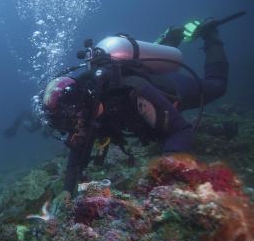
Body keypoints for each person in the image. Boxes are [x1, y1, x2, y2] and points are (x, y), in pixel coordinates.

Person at [35, 17, 231, 195]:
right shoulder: (86, 110)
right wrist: (67, 193)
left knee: (217, 86)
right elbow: (76, 156)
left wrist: (166, 175)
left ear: (78, 110)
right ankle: (170, 38)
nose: (71, 132)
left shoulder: (133, 90)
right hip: (146, 91)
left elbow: (181, 130)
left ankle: (210, 34)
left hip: (171, 89)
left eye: (68, 124)